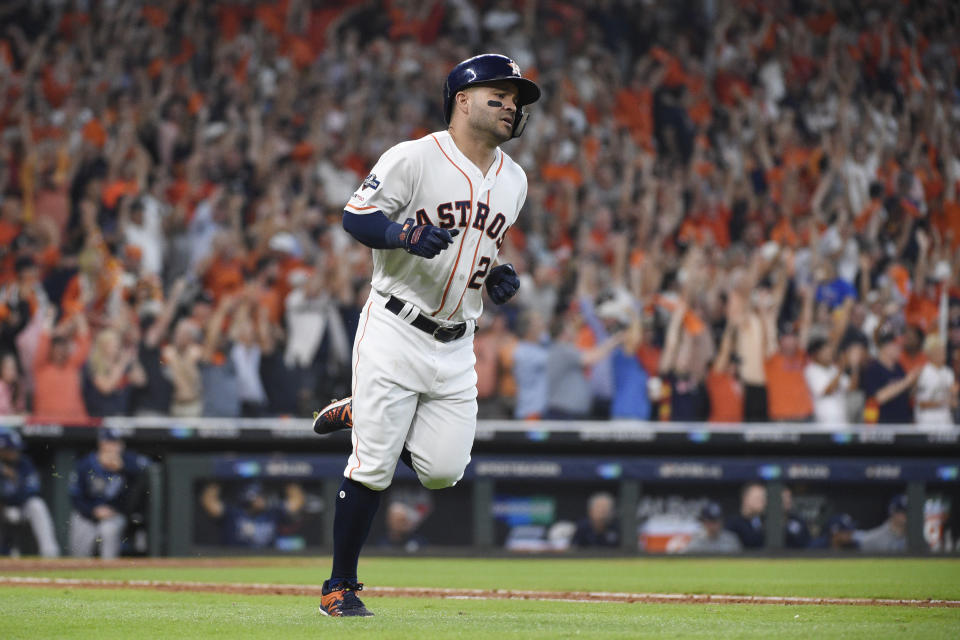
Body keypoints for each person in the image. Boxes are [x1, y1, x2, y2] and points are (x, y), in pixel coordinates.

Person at [312, 54, 540, 617]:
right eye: (500, 93)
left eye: (518, 99)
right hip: (396, 322)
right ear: (462, 99)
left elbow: (480, 250)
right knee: (374, 465)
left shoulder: (515, 179)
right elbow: (355, 215)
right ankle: (339, 586)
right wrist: (399, 233)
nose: (512, 104)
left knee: (443, 472)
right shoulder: (414, 157)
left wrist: (498, 273)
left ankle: (363, 411)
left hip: (458, 338)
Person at [69, 429, 151, 558]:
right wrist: (92, 511)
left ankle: (108, 569)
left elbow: (147, 469)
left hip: (114, 514)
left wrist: (123, 468)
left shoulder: (128, 460)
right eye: (110, 442)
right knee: (80, 541)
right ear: (101, 444)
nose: (114, 447)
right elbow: (75, 497)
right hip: (87, 514)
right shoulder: (85, 464)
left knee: (108, 530)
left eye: (117, 443)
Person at [0, 429, 60, 557]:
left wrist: (16, 480)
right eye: (10, 449)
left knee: (37, 504)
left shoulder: (24, 463)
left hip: (21, 505)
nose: (15, 452)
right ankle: (7, 551)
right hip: (3, 509)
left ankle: (50, 553)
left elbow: (32, 490)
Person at [200, 482, 305, 549]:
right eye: (257, 496)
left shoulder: (272, 512)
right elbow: (209, 503)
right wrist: (219, 477)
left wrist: (284, 473)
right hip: (235, 558)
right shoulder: (233, 513)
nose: (261, 499)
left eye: (262, 496)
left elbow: (296, 502)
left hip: (269, 558)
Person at [861, 330, 919, 424]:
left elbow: (906, 393)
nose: (900, 349)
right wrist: (907, 381)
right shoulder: (873, 369)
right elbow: (879, 397)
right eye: (896, 345)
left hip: (902, 422)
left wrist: (914, 383)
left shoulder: (899, 367)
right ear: (886, 347)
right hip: (882, 425)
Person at [913, 333, 956, 428]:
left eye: (942, 350)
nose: (942, 353)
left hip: (945, 422)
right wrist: (943, 402)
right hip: (927, 423)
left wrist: (954, 395)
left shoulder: (948, 372)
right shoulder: (924, 373)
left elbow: (953, 402)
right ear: (930, 353)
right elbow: (921, 403)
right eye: (938, 350)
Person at [726, 483, 766, 549]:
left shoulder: (764, 522)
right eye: (758, 498)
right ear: (745, 499)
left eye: (764, 499)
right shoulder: (733, 524)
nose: (763, 502)